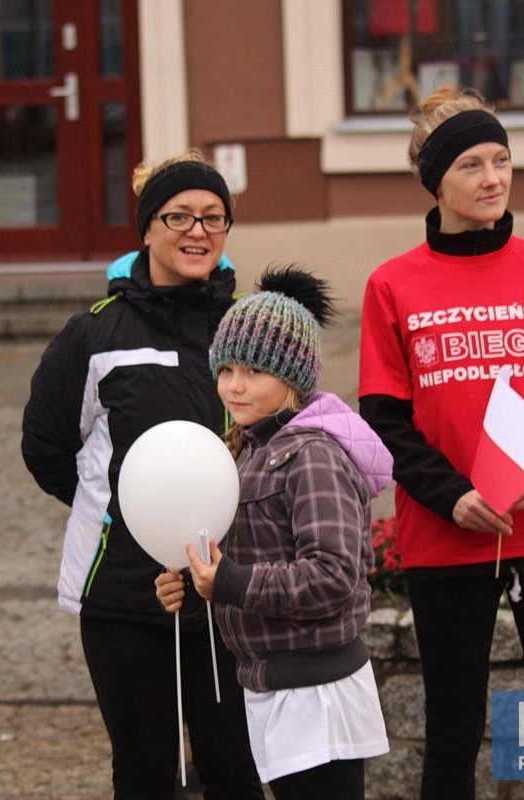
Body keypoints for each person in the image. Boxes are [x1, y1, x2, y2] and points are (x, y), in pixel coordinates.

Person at [358, 85, 524, 800]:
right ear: (435, 179)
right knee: (453, 731)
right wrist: (453, 497)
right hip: (447, 535)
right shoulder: (392, 285)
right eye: (471, 164)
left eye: (502, 160)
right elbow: (384, 414)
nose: (493, 178)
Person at [21, 151, 263, 799]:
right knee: (147, 771)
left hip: (227, 592)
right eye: (178, 215)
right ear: (146, 229)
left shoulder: (247, 330)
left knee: (235, 769)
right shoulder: (94, 336)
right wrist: (120, 512)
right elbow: (46, 446)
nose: (197, 232)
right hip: (123, 596)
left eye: (214, 218)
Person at [156, 266, 393, 800]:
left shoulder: (313, 455)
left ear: (292, 379)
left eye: (255, 371)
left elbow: (332, 575)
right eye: (227, 368)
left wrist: (231, 581)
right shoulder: (245, 448)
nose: (235, 385)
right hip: (272, 685)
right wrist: (197, 586)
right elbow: (240, 559)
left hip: (318, 693)